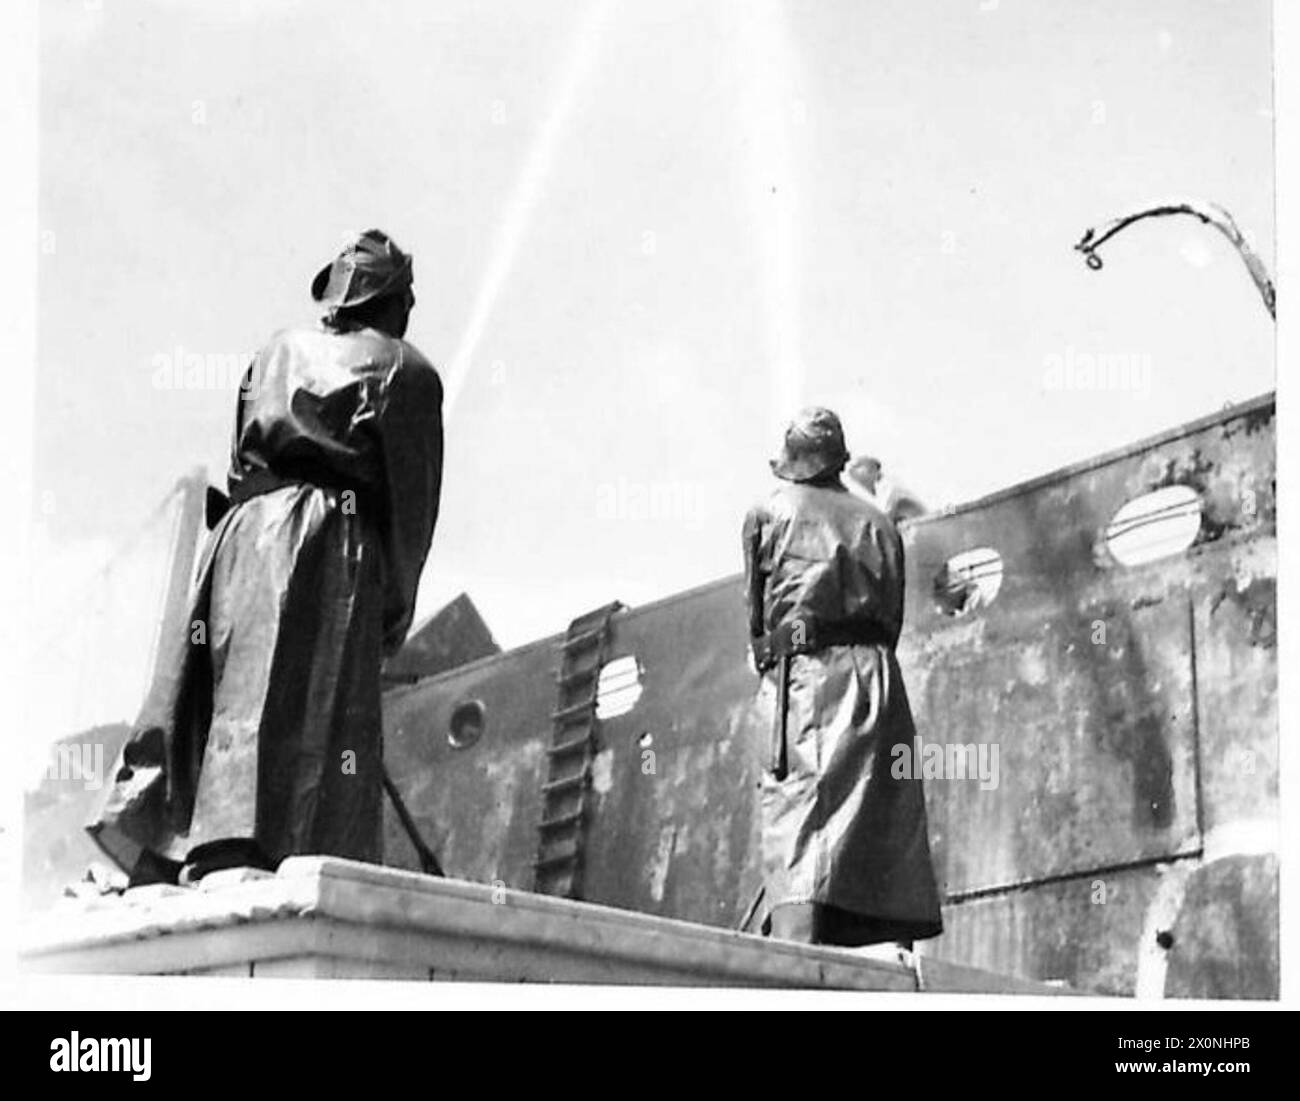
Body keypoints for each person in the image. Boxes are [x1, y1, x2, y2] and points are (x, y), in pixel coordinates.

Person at [89, 229, 444, 885]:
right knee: (314, 712)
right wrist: (391, 610)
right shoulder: (409, 371)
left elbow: (238, 455)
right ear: (393, 300)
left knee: (228, 698)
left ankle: (180, 846)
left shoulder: (275, 350)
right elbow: (411, 506)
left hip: (239, 539)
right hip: (325, 544)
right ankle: (266, 855)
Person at [741, 407, 942, 948]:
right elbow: (892, 618)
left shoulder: (769, 510)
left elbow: (758, 622)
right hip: (876, 684)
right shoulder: (879, 521)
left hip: (802, 681)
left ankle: (793, 969)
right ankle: (885, 969)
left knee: (797, 832)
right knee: (878, 829)